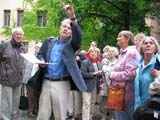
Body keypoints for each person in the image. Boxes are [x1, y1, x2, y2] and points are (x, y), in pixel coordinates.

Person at [36, 1, 86, 120]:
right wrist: (41, 61)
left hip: (62, 83)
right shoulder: (49, 41)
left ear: (71, 32)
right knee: (42, 114)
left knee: (59, 115)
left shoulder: (71, 44)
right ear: (60, 28)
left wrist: (72, 17)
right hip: (46, 81)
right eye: (64, 26)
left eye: (69, 28)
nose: (65, 29)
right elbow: (40, 54)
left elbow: (78, 37)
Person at [108, 30, 139, 120]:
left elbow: (130, 74)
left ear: (128, 38)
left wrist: (112, 74)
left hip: (126, 96)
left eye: (120, 36)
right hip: (118, 94)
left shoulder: (131, 53)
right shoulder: (123, 53)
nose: (117, 38)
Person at [0, 27, 27, 120]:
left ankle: (14, 118)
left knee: (16, 102)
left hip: (18, 79)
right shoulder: (4, 45)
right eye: (17, 34)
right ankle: (5, 118)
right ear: (13, 35)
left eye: (20, 34)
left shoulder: (23, 48)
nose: (18, 36)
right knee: (6, 103)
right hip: (6, 79)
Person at [134, 36, 160, 110]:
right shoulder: (138, 65)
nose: (148, 45)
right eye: (145, 43)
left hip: (154, 107)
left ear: (155, 48)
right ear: (142, 48)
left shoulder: (158, 62)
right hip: (139, 107)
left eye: (151, 43)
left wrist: (158, 75)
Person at [80, 47, 102, 120]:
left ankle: (90, 117)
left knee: (92, 103)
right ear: (89, 54)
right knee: (86, 104)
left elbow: (100, 75)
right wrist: (93, 73)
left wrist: (100, 74)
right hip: (86, 86)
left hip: (96, 86)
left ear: (98, 54)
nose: (93, 53)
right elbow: (82, 74)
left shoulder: (98, 63)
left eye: (95, 52)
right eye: (92, 52)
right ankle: (85, 118)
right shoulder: (85, 62)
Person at [23, 42, 42, 117]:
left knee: (38, 96)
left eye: (40, 48)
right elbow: (24, 66)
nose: (38, 49)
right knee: (30, 96)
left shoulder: (42, 57)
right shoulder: (29, 56)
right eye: (37, 47)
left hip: (39, 79)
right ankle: (30, 111)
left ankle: (36, 110)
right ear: (35, 48)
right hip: (30, 79)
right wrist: (24, 78)